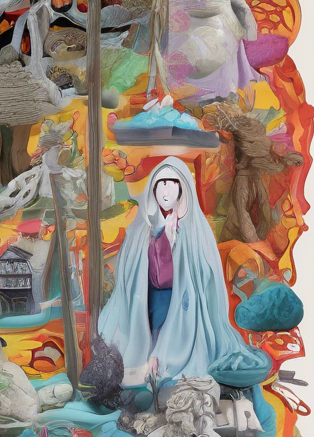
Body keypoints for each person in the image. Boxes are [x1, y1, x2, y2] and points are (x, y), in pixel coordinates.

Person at [98, 156, 269, 387]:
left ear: (182, 188)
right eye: (161, 183)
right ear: (153, 188)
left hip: (180, 298)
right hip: (149, 296)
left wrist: (176, 246)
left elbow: (205, 271)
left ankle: (164, 361)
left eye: (172, 183)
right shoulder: (142, 229)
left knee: (177, 326)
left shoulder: (195, 229)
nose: (166, 190)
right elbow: (129, 269)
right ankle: (148, 359)